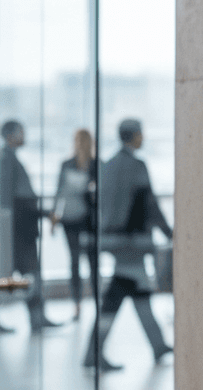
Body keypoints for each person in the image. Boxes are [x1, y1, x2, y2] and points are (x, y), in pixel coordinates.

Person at [83, 118, 173, 371]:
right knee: (118, 293)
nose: (143, 138)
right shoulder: (137, 165)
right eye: (141, 134)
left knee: (139, 290)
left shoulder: (108, 165)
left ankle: (157, 345)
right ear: (133, 136)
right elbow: (149, 203)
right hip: (132, 241)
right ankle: (94, 351)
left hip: (112, 237)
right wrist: (168, 232)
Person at [0, 120, 60, 331]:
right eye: (21, 132)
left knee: (29, 274)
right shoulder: (6, 160)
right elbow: (10, 201)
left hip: (18, 229)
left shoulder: (9, 159)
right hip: (16, 231)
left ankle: (37, 317)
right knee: (6, 276)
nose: (24, 136)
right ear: (10, 135)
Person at [51, 129, 97, 321]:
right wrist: (54, 217)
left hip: (88, 220)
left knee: (93, 262)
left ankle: (96, 303)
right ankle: (76, 303)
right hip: (70, 220)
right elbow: (59, 192)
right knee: (75, 261)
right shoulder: (66, 164)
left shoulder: (95, 165)